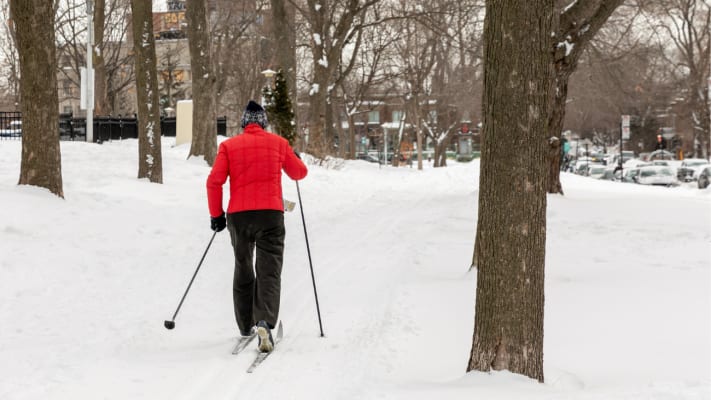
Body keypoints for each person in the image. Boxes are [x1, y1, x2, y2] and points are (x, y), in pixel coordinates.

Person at [206, 100, 307, 352]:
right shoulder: (279, 143)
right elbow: (299, 173)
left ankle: (244, 324)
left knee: (243, 267)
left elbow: (213, 182)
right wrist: (293, 155)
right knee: (269, 270)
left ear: (243, 123)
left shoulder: (228, 146)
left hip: (239, 216)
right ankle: (264, 320)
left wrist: (216, 215)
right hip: (271, 215)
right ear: (264, 123)